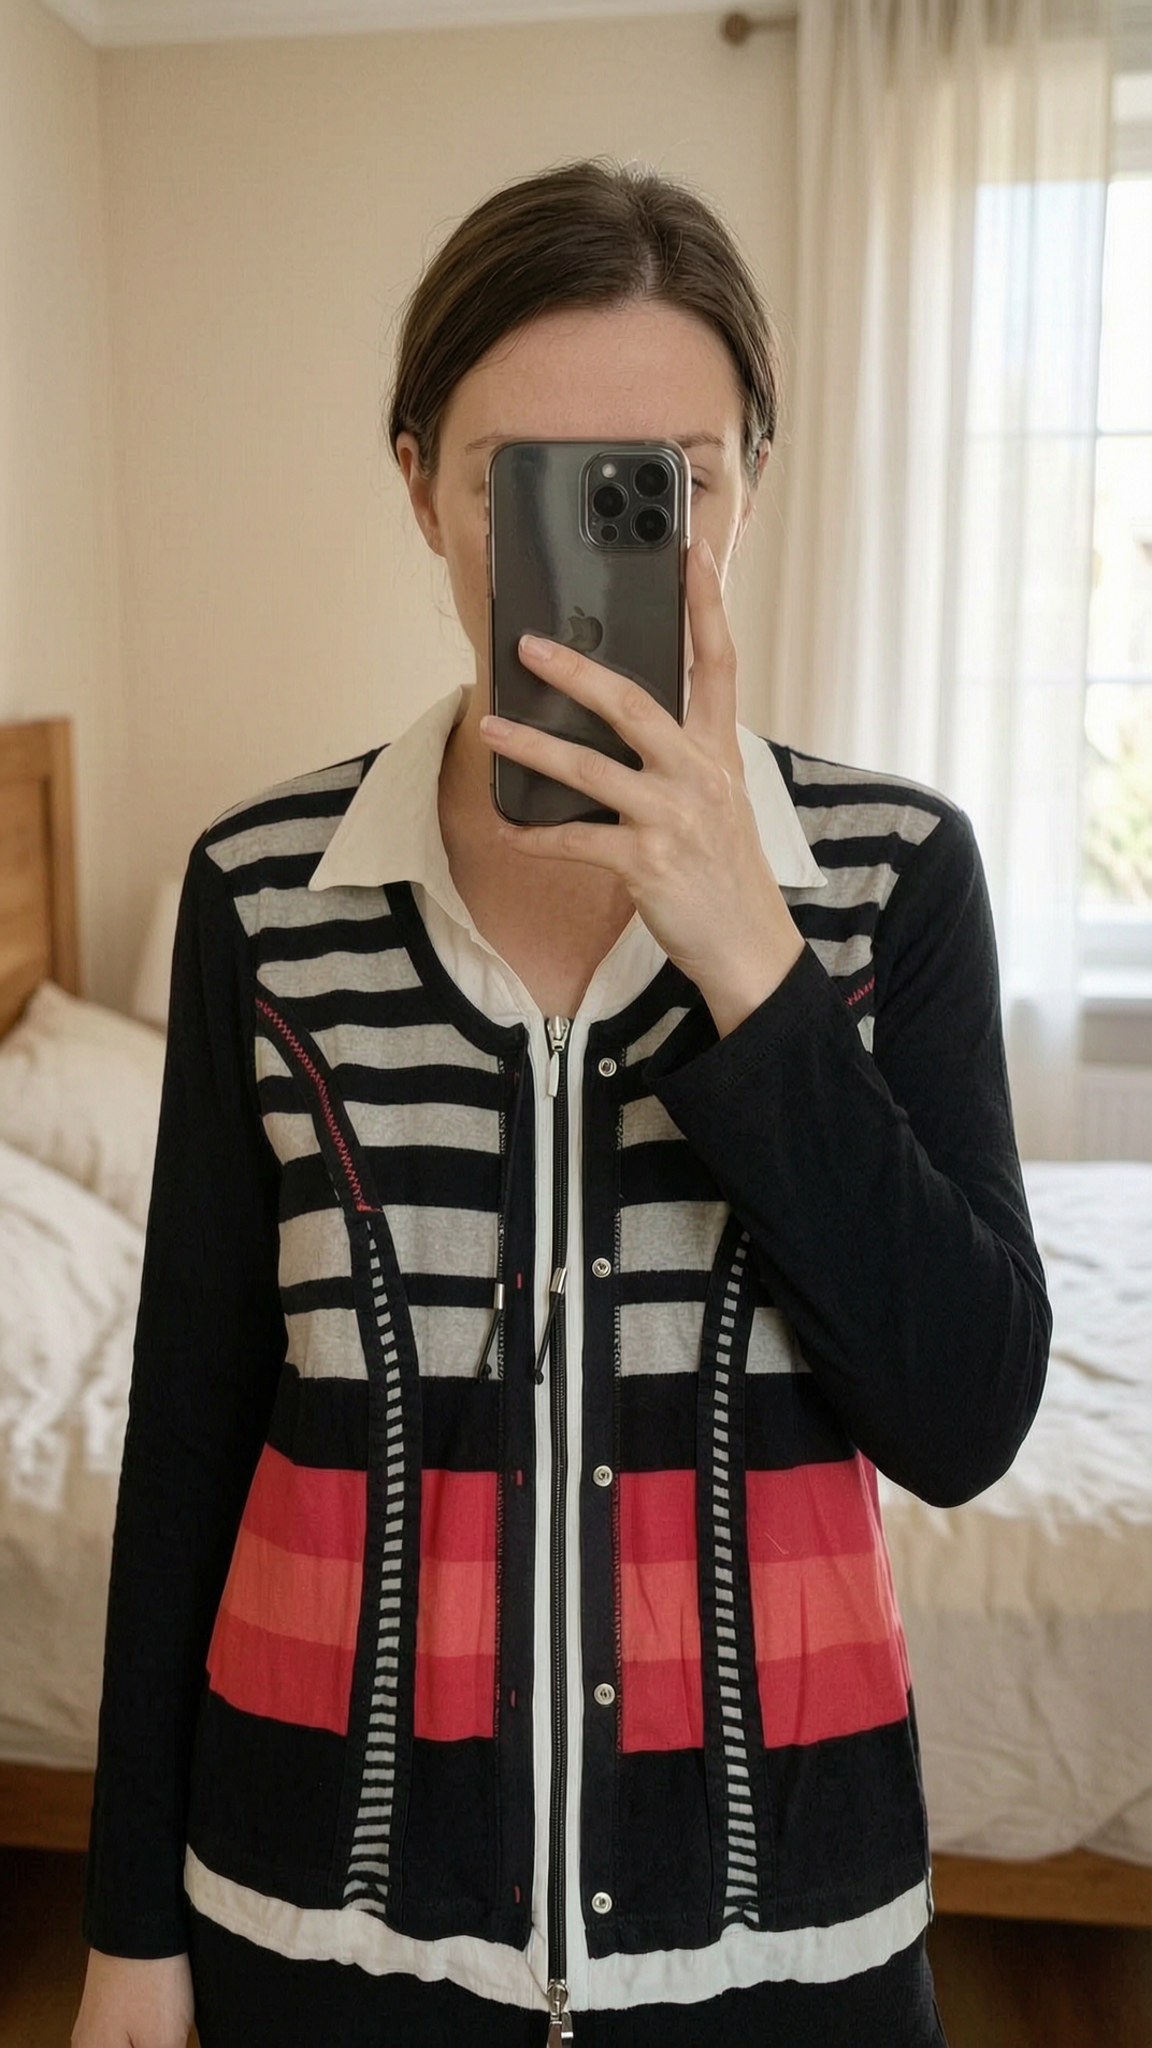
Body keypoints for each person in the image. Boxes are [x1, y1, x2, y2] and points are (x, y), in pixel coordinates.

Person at [73, 160, 1049, 2048]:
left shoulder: (892, 878)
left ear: (748, 488)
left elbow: (967, 1417)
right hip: (315, 1924)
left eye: (668, 479)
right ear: (421, 487)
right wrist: (127, 1923)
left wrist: (747, 953)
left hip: (784, 1945)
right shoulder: (264, 895)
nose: (607, 536)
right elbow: (188, 1422)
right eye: (527, 479)